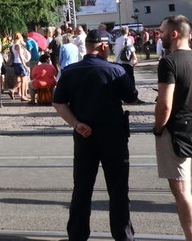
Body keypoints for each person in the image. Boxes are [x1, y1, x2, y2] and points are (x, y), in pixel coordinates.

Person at [52, 29, 137, 241]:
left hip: (84, 135)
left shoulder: (70, 71)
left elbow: (58, 102)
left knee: (82, 188)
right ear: (104, 47)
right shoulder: (116, 70)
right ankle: (123, 236)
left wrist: (76, 123)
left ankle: (77, 235)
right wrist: (130, 71)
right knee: (118, 190)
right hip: (114, 136)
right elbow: (132, 98)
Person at [153, 15, 192, 241]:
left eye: (162, 31)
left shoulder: (169, 62)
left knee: (183, 193)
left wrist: (158, 128)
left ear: (174, 34)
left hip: (176, 132)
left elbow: (165, 104)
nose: (159, 34)